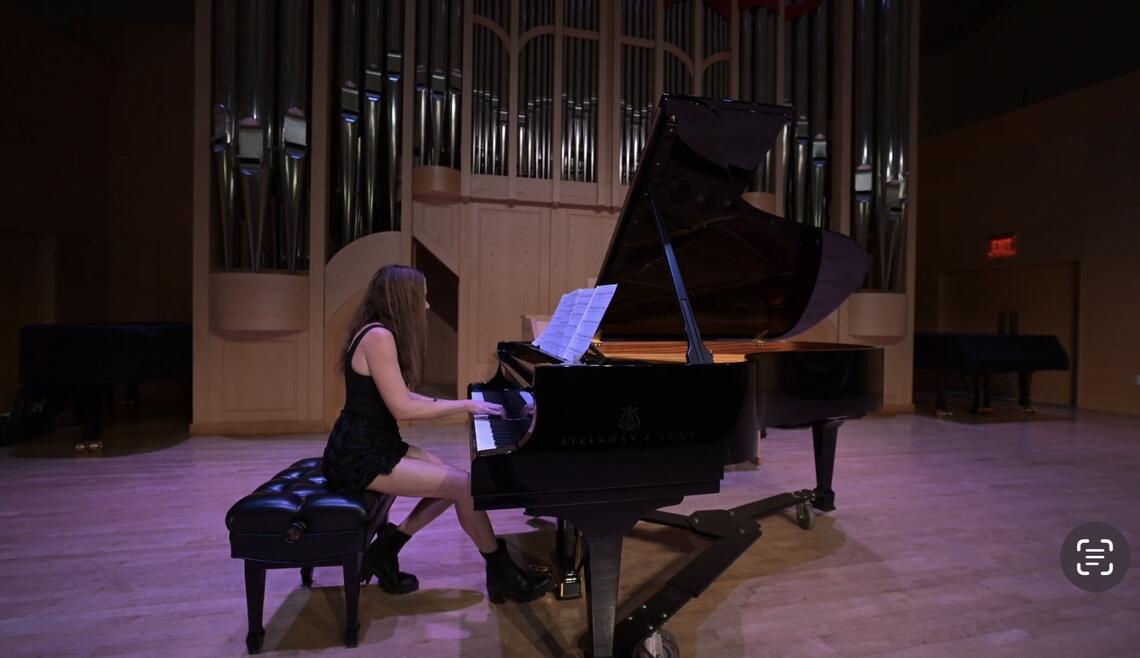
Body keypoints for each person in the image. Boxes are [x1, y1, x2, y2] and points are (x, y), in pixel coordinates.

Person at [321, 264, 552, 603]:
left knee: (453, 481)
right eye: (423, 298)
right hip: (359, 453)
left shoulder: (375, 331)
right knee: (462, 485)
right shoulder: (379, 337)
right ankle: (501, 573)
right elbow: (403, 409)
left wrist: (464, 404)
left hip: (371, 442)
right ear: (403, 299)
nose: (427, 306)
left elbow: (401, 396)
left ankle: (386, 549)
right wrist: (464, 407)